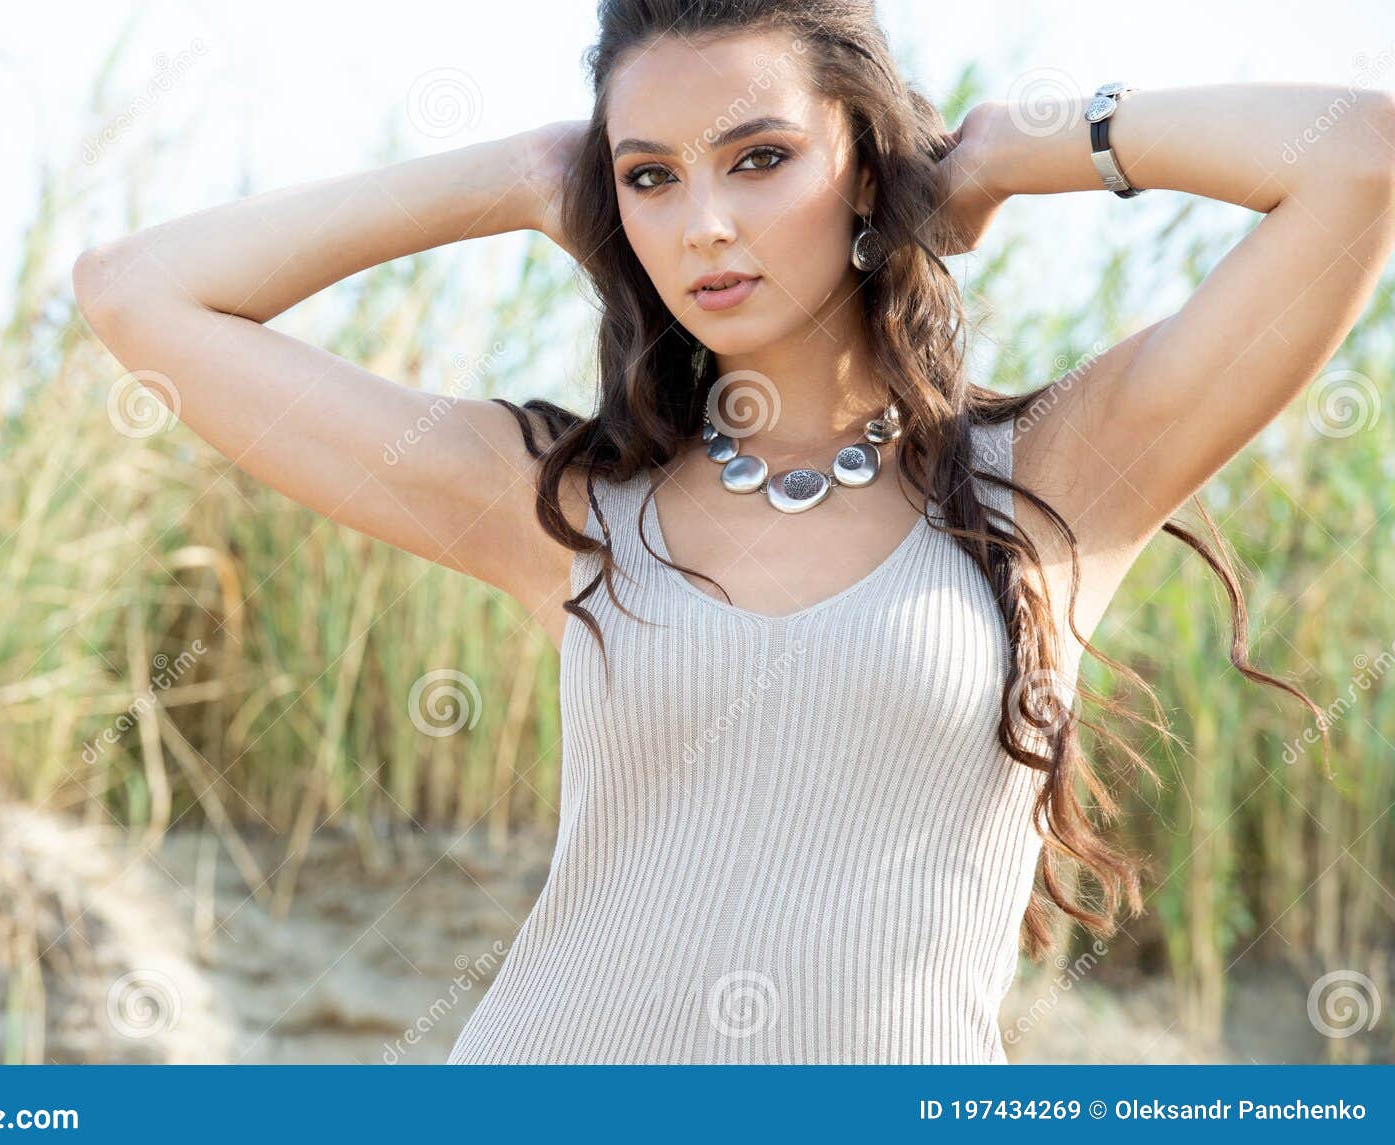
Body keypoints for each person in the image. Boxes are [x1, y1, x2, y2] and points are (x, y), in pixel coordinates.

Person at [72, 0, 1395, 1062]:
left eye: (761, 157)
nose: (702, 223)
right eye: (649, 177)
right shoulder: (562, 503)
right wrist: (524, 173)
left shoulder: (1057, 477)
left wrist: (1011, 152)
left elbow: (1357, 155)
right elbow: (140, 296)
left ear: (866, 165)